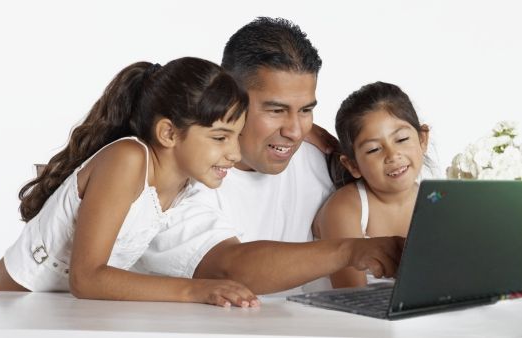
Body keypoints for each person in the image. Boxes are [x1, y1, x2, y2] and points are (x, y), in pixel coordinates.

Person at [133, 17, 405, 295]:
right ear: (230, 99)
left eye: (305, 110)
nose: (295, 131)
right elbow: (227, 269)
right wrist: (350, 250)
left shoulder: (322, 158)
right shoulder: (180, 176)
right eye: (276, 110)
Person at [0, 57, 259, 308]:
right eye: (220, 137)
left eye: (237, 136)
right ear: (168, 133)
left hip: (59, 314)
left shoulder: (185, 186)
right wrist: (195, 291)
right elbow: (87, 279)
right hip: (7, 312)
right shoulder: (127, 160)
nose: (235, 154)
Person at [313, 81, 430, 288]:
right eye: (374, 149)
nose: (393, 155)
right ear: (353, 165)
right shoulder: (345, 208)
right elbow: (350, 295)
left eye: (401, 139)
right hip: (350, 317)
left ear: (423, 140)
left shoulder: (433, 201)